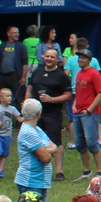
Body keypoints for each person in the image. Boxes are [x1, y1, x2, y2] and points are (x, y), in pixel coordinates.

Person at [25, 46, 73, 181]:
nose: (49, 59)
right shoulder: (37, 71)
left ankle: (59, 171)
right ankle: (36, 168)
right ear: (43, 57)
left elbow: (68, 95)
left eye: (52, 57)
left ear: (57, 59)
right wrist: (26, 104)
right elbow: (30, 88)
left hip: (53, 113)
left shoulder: (62, 76)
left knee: (55, 141)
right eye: (47, 56)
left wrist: (51, 99)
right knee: (34, 140)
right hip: (35, 114)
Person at [70, 46, 101, 178]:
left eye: (83, 58)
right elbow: (78, 92)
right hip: (78, 111)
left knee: (92, 142)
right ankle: (87, 171)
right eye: (79, 57)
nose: (80, 60)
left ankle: (100, 172)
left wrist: (90, 109)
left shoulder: (94, 73)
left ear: (89, 60)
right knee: (80, 143)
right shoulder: (79, 74)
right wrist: (74, 104)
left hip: (89, 113)